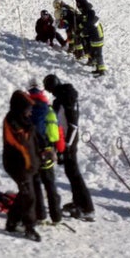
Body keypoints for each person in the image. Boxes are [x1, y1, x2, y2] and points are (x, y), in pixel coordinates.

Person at [44, 74, 95, 221]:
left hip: (69, 141)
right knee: (70, 172)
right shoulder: (61, 98)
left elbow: (73, 124)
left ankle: (88, 208)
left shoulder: (67, 98)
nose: (50, 92)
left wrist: (67, 144)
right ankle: (78, 202)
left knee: (74, 173)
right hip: (64, 140)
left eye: (50, 89)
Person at [3, 89, 41, 242]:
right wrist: (30, 165)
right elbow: (22, 146)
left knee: (24, 193)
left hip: (27, 165)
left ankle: (12, 222)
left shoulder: (24, 121)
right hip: (17, 165)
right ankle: (29, 227)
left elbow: (33, 143)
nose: (30, 113)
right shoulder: (12, 122)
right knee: (29, 196)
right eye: (28, 109)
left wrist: (41, 155)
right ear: (19, 108)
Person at [28, 80, 63, 225]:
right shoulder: (48, 109)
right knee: (50, 184)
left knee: (36, 184)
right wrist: (59, 150)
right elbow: (56, 133)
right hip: (47, 151)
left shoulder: (26, 108)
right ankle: (56, 216)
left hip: (32, 152)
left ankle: (40, 215)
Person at [75, 0, 106, 76]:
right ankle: (98, 68)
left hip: (97, 37)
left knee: (97, 54)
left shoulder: (90, 14)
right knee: (94, 53)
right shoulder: (87, 13)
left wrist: (81, 30)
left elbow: (88, 25)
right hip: (94, 36)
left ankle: (101, 70)